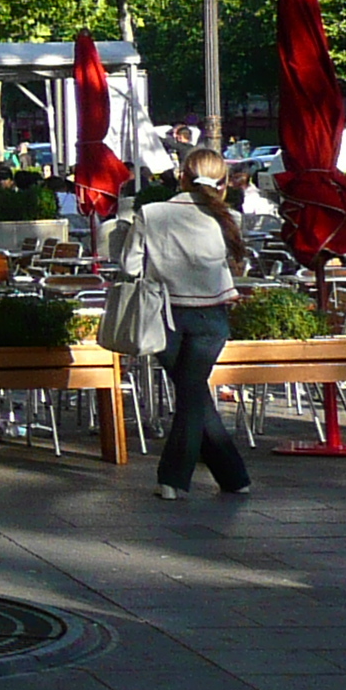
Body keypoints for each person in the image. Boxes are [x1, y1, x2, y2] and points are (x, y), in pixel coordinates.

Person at [133, 147, 254, 501]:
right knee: (193, 392)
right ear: (225, 183)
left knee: (190, 394)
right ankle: (233, 476)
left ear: (181, 175)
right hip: (212, 315)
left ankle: (174, 478)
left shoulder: (151, 213)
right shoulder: (229, 217)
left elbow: (128, 266)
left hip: (165, 314)